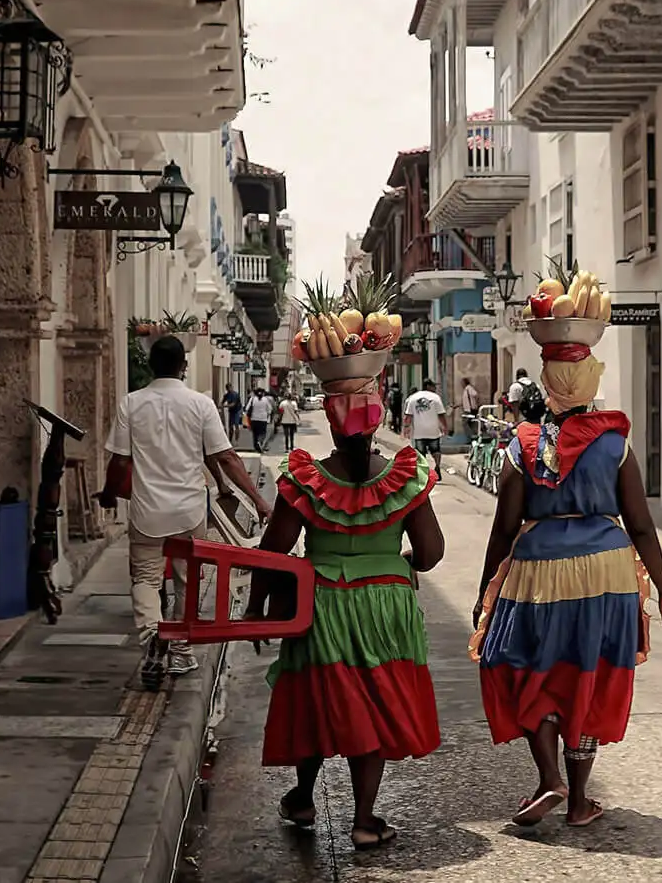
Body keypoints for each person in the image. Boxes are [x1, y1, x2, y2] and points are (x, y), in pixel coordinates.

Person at [471, 330, 662, 829]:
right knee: (590, 673)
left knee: (524, 668)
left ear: (545, 386)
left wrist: (486, 591)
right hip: (608, 571)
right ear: (589, 385)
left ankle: (550, 777)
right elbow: (641, 523)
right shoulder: (615, 444)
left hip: (536, 571)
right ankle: (579, 800)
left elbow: (504, 528)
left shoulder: (521, 446)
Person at [254, 369, 444, 850]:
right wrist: (402, 561)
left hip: (319, 603)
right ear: (377, 424)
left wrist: (257, 608)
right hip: (386, 605)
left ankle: (302, 796)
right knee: (374, 700)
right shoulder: (406, 476)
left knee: (320, 696)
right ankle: (364, 819)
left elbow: (274, 550)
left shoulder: (306, 478)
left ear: (333, 426)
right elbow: (430, 552)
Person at [101, 337, 271, 677]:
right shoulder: (201, 404)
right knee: (185, 581)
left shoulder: (131, 403)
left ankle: (152, 634)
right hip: (189, 512)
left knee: (146, 580)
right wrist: (258, 499)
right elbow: (226, 456)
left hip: (147, 510)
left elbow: (120, 462)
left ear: (151, 365)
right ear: (184, 366)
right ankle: (179, 652)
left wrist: (109, 493)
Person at [403, 380, 448, 482]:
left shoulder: (413, 398)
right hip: (433, 430)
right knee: (436, 451)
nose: (435, 388)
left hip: (419, 432)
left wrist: (406, 428)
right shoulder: (435, 398)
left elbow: (408, 416)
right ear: (428, 386)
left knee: (420, 453)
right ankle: (437, 467)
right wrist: (445, 427)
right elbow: (441, 414)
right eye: (433, 386)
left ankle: (424, 472)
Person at [246, 387, 277, 452]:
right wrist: (267, 416)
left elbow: (247, 408)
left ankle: (256, 447)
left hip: (253, 419)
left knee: (255, 434)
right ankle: (260, 441)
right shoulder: (265, 400)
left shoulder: (252, 399)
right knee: (263, 433)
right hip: (263, 419)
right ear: (263, 393)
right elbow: (269, 410)